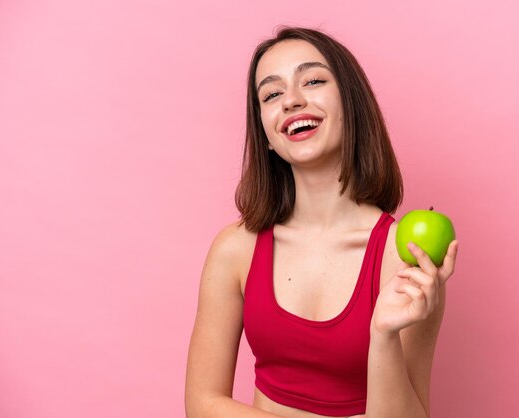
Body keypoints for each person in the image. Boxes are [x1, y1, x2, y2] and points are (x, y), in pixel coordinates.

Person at [185, 26, 459, 418]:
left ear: (351, 103)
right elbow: (202, 405)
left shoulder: (408, 258)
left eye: (312, 80)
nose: (292, 101)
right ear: (265, 133)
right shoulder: (235, 249)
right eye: (272, 94)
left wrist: (383, 335)